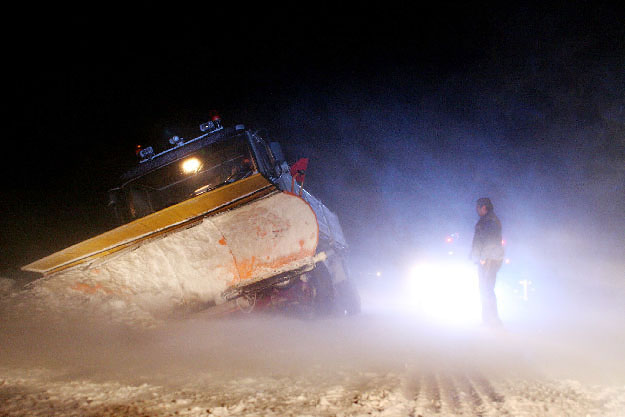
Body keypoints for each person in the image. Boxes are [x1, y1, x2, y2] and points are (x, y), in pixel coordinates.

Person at [470, 197, 505, 327]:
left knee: (487, 288)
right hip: (489, 258)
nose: (476, 210)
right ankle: (488, 319)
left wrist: (483, 258)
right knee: (485, 288)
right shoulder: (488, 220)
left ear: (483, 207)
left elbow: (490, 241)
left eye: (478, 207)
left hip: (489, 259)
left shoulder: (489, 221)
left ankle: (493, 319)